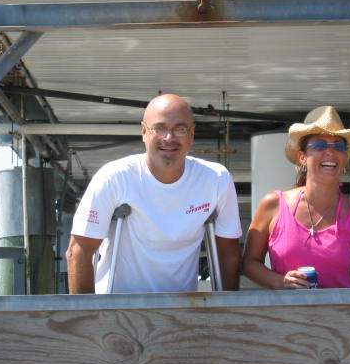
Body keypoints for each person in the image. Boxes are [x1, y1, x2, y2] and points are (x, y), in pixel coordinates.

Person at [66, 93, 242, 293]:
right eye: (159, 128)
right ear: (144, 132)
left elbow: (228, 254)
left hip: (182, 304)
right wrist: (89, 312)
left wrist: (227, 309)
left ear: (191, 135)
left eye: (180, 129)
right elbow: (78, 252)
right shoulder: (114, 177)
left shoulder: (216, 179)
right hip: (117, 304)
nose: (169, 138)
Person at [242, 106, 350, 289]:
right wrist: (281, 282)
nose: (330, 152)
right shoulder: (273, 204)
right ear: (302, 157)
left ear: (345, 157)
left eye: (339, 146)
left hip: (342, 309)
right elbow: (249, 263)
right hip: (286, 309)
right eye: (319, 145)